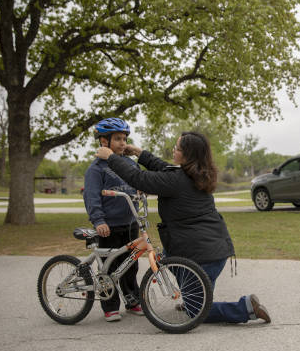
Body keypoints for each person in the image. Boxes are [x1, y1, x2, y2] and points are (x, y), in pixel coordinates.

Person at [95, 131, 271, 324]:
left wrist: (111, 158)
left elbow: (139, 178)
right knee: (170, 259)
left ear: (187, 155)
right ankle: (193, 300)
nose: (174, 149)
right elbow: (164, 168)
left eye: (177, 148)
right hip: (211, 249)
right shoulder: (195, 174)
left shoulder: (177, 180)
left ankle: (246, 308)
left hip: (203, 255)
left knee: (197, 310)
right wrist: (140, 153)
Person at [83, 118, 144, 322]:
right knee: (108, 268)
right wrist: (98, 220)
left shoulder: (128, 163)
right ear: (103, 141)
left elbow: (139, 180)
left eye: (125, 138)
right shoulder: (96, 169)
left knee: (130, 266)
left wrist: (141, 188)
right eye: (117, 138)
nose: (122, 143)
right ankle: (110, 306)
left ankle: (133, 300)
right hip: (108, 226)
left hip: (130, 223)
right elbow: (91, 197)